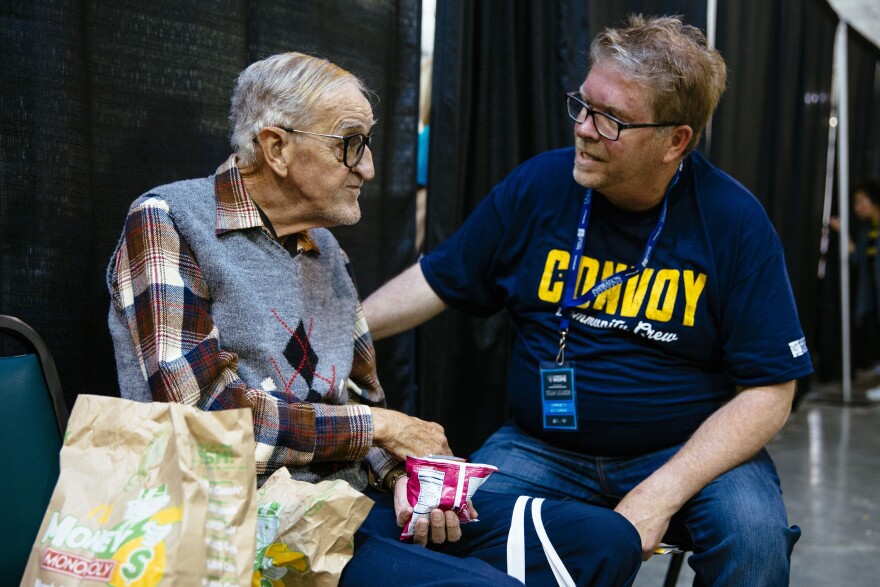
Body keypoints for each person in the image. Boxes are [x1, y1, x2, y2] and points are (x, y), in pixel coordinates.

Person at [106, 52, 641, 585]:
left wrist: (407, 481)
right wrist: (381, 430)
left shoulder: (327, 251)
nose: (368, 168)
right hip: (247, 523)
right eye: (350, 144)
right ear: (276, 148)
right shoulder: (168, 221)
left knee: (608, 540)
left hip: (350, 504)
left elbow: (360, 404)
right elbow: (207, 427)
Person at [364, 15, 812, 586]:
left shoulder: (733, 221)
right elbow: (436, 280)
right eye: (583, 104)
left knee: (754, 545)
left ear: (676, 141)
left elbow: (772, 390)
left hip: (684, 451)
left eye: (612, 119)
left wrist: (661, 491)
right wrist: (344, 330)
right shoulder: (538, 187)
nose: (583, 128)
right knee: (449, 531)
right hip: (543, 446)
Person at [830, 178, 880, 399]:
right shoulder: (868, 230)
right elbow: (857, 258)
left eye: (861, 201)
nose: (857, 207)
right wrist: (842, 232)